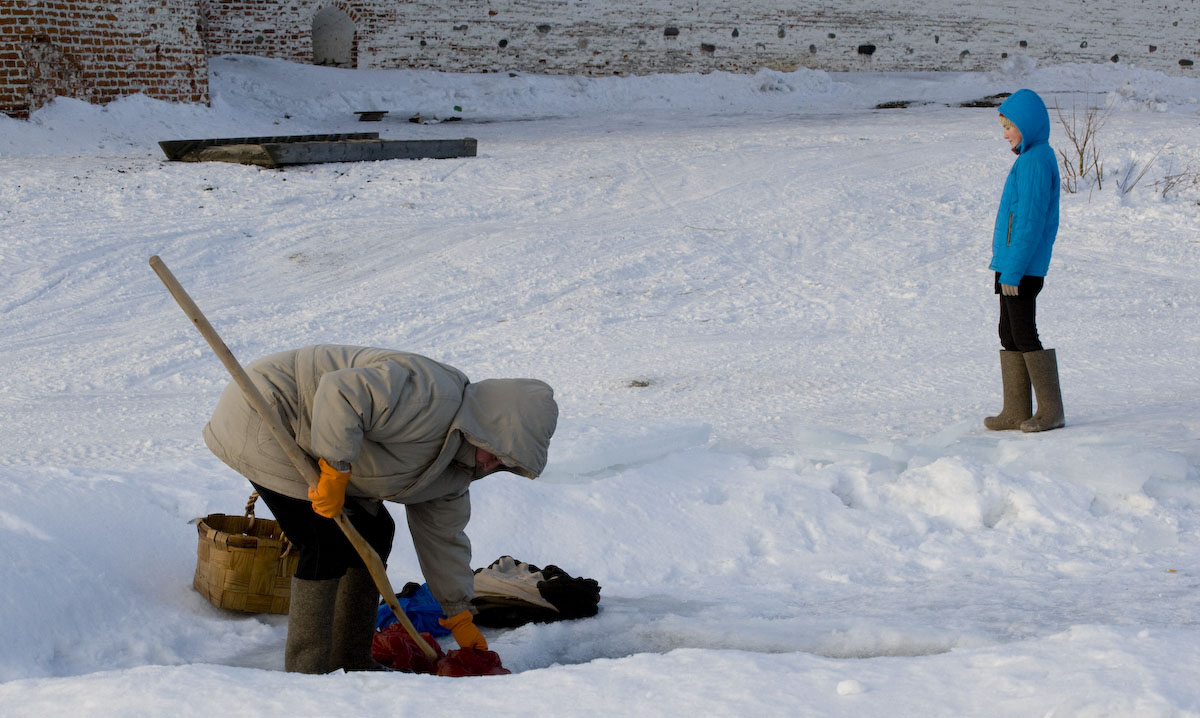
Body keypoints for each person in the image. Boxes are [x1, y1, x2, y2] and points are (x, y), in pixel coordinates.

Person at [202, 344, 559, 673]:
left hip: (314, 439)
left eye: (504, 463)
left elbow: (443, 540)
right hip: (269, 410)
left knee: (376, 532)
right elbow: (341, 392)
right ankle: (307, 671)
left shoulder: (455, 472)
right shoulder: (430, 395)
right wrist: (336, 468)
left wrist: (458, 615)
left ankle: (352, 658)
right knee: (324, 538)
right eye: (497, 452)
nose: (492, 465)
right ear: (488, 427)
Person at [983, 88, 1065, 433]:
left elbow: (1029, 223)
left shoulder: (1034, 162)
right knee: (1009, 333)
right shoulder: (1029, 158)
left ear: (1027, 125)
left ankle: (1050, 411)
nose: (1004, 135)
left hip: (1023, 267)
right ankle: (1016, 409)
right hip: (1012, 264)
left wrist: (1012, 270)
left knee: (1024, 333)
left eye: (1008, 127)